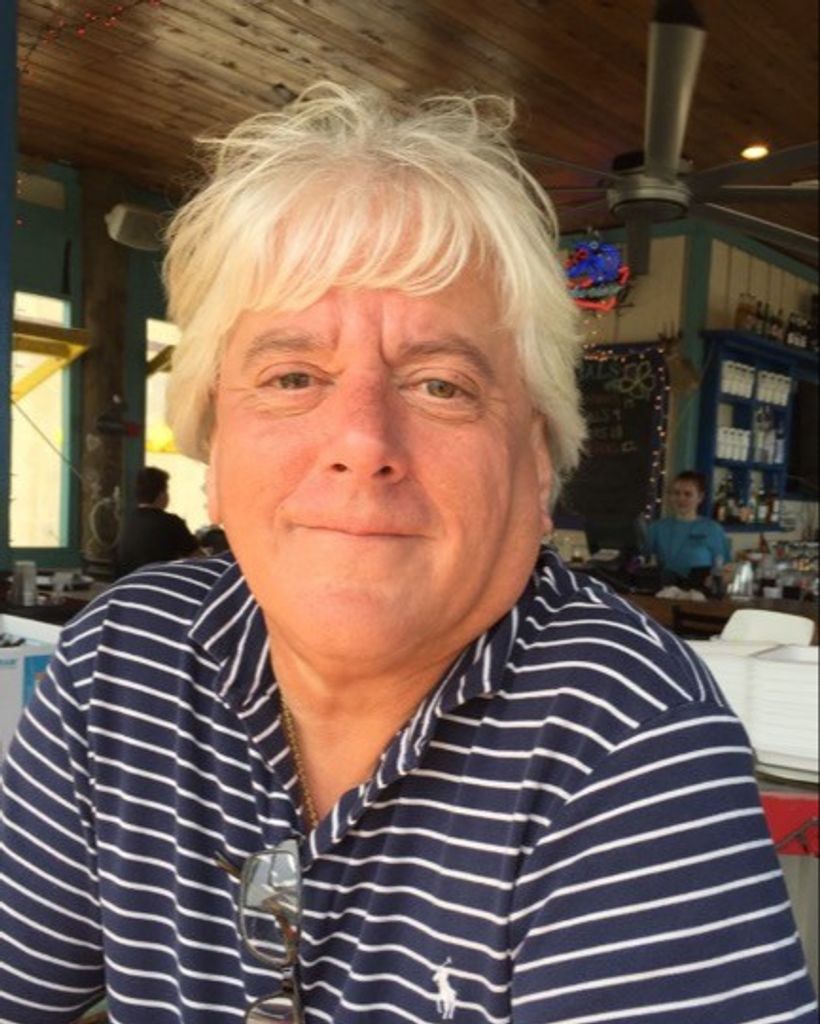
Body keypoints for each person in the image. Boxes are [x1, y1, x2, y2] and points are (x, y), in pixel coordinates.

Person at [0, 84, 815, 1024]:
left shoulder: (625, 735)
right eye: (292, 376)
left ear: (537, 465)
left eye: (440, 385)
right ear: (213, 454)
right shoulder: (122, 660)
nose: (361, 439)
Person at [646, 469, 732, 586]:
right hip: (664, 591)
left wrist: (716, 580)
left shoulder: (713, 530)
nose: (681, 499)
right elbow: (644, 562)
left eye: (688, 494)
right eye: (676, 493)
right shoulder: (657, 528)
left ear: (700, 497)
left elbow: (726, 570)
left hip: (699, 593)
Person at [116, 465, 202, 576]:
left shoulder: (126, 520)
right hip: (158, 582)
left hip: (127, 582)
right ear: (161, 495)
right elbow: (199, 558)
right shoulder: (171, 522)